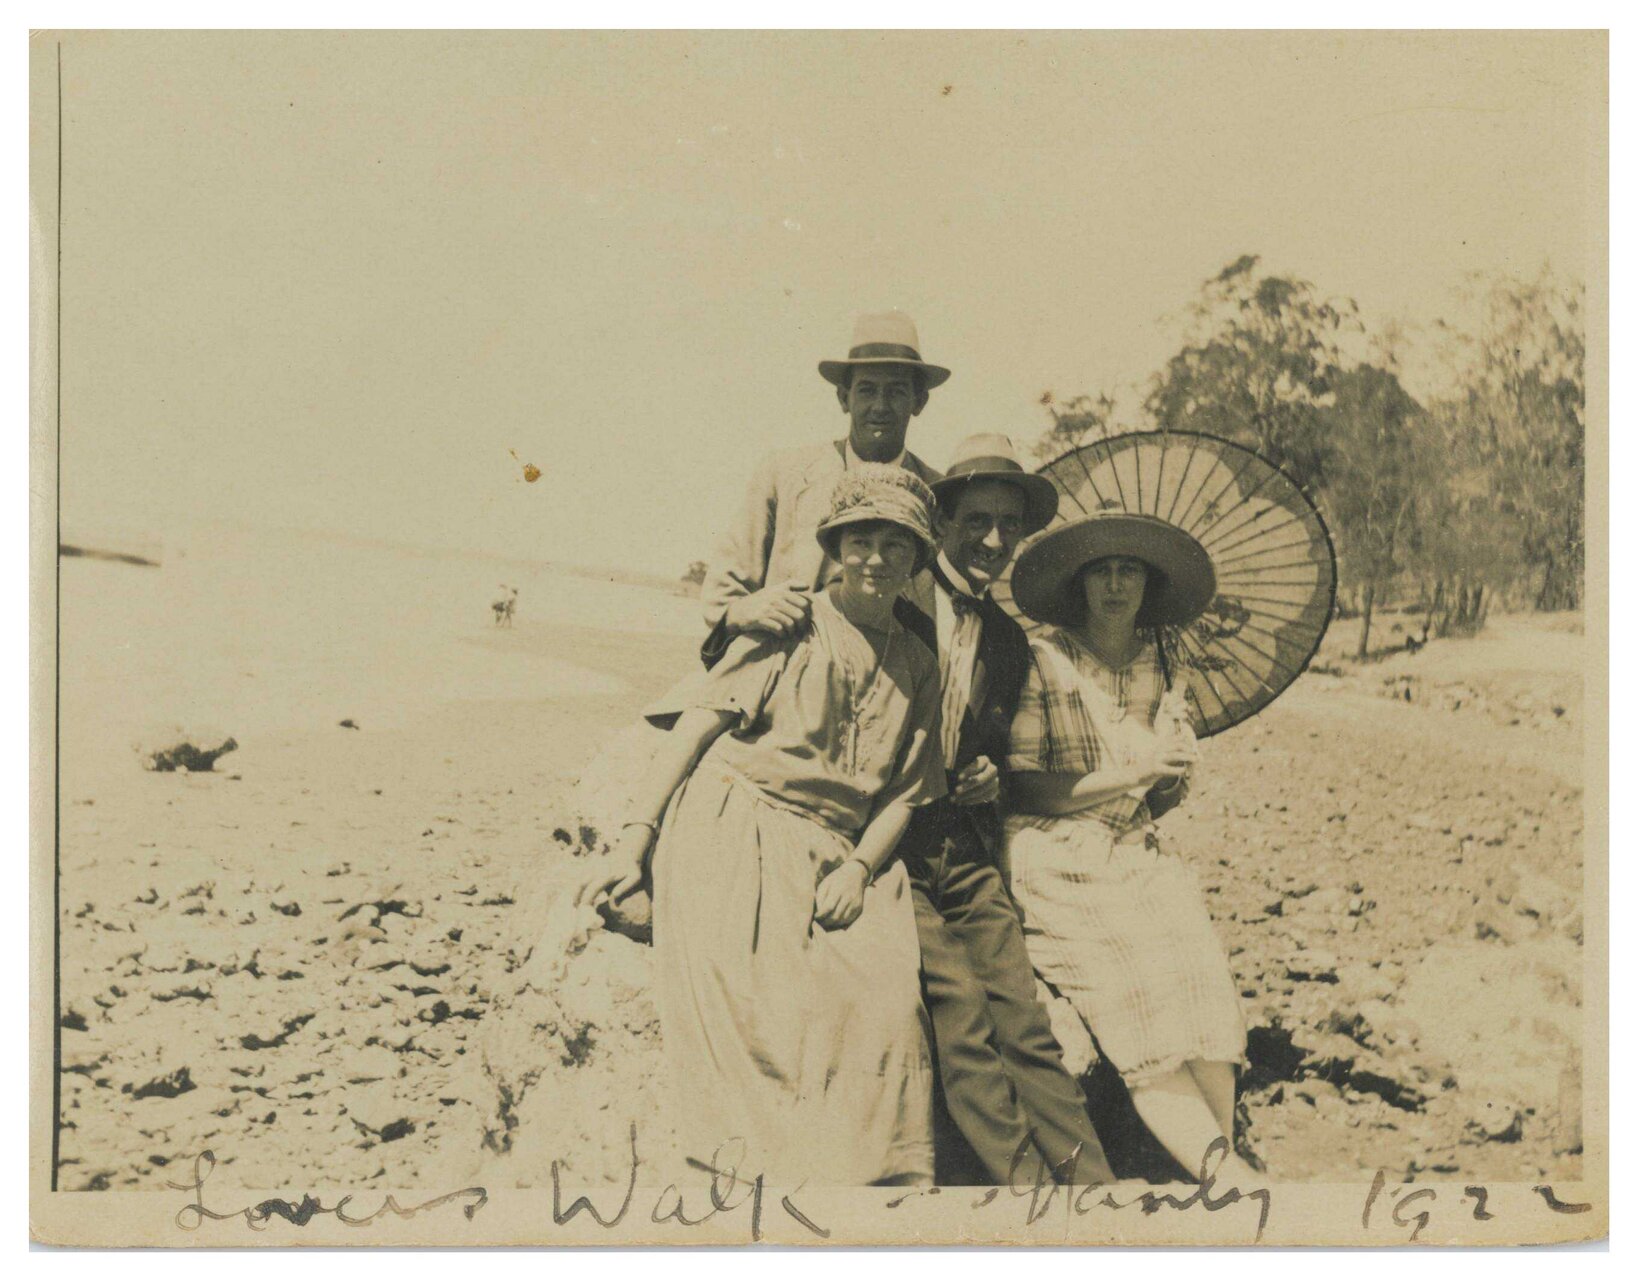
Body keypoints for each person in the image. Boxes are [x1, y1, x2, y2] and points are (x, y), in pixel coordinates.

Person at [579, 465, 946, 1186]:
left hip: (839, 849)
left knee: (884, 1004)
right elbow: (694, 731)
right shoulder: (792, 626)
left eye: (894, 545)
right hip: (737, 818)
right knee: (757, 1005)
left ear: (915, 561)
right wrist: (634, 842)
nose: (875, 558)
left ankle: (869, 1191)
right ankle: (759, 1195)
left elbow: (905, 793)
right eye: (859, 540)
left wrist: (858, 869)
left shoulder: (918, 663)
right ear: (835, 549)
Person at [1003, 512, 1256, 1183]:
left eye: (1129, 571)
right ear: (1080, 584)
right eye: (1101, 572)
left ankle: (1219, 1162)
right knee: (1133, 990)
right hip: (1052, 851)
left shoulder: (1165, 664)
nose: (1115, 585)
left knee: (1196, 976)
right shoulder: (1042, 657)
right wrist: (1139, 767)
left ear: (1147, 585)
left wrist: (1171, 771)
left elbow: (1157, 802)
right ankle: (1225, 1178)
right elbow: (1025, 789)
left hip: (1133, 850)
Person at [898, 434, 1115, 1188]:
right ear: (942, 522)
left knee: (1022, 1017)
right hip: (889, 849)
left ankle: (1094, 1195)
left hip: (962, 846)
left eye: (1008, 526)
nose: (993, 540)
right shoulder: (890, 599)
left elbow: (989, 747)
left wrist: (986, 773)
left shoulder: (1004, 638)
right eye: (976, 521)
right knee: (959, 1009)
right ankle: (1025, 1192)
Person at [698, 311, 948, 667]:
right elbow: (725, 591)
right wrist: (744, 610)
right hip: (779, 682)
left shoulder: (936, 494)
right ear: (843, 398)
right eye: (866, 390)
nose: (880, 406)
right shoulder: (785, 475)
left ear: (919, 401)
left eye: (896, 391)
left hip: (887, 692)